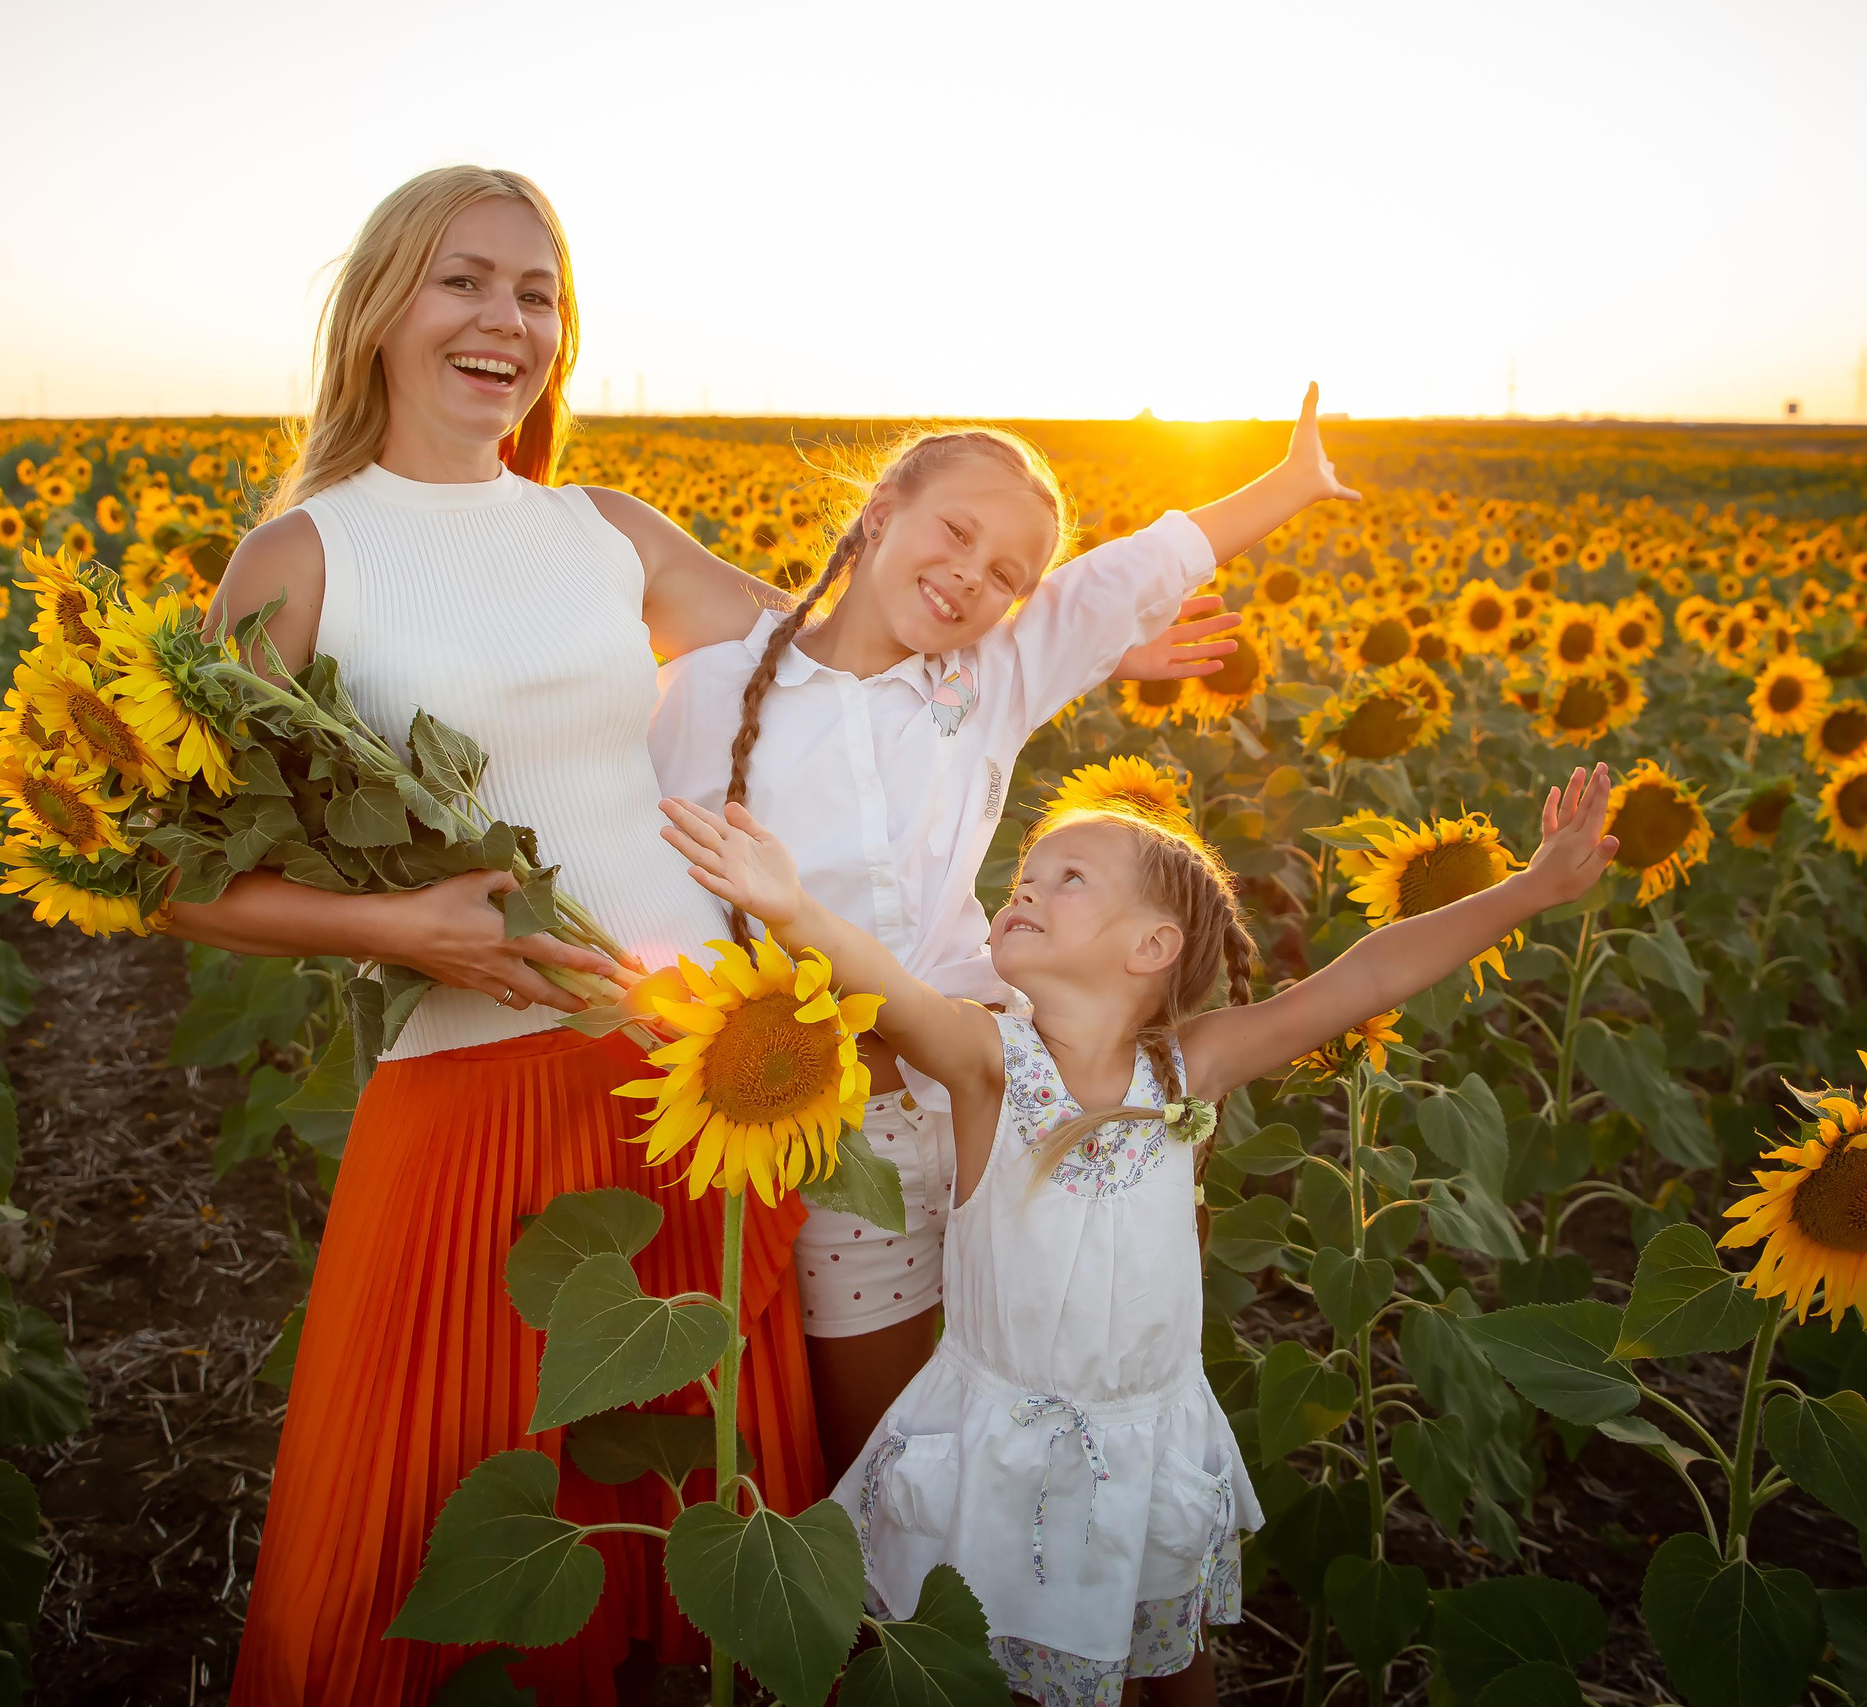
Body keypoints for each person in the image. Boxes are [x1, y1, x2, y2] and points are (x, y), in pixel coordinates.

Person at [179, 164, 1230, 1706]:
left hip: (698, 1083)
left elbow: (859, 662)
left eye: (538, 294)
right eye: (466, 280)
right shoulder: (303, 557)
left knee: (701, 1505)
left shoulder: (609, 531)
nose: (505, 320)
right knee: (448, 1495)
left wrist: (1078, 645)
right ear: (386, 303)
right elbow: (185, 875)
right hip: (480, 1075)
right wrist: (400, 922)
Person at [656, 763, 1617, 1705]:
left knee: (1167, 1648)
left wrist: (1530, 888)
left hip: (1146, 1431)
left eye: (1066, 877)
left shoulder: (1190, 1069)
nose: (1024, 886)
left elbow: (1363, 976)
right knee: (997, 1660)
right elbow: (894, 995)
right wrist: (790, 909)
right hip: (1006, 1451)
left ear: (1152, 945)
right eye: (1023, 874)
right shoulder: (992, 1063)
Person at [648, 394, 1356, 1474]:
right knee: (876, 1445)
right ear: (882, 509)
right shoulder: (710, 685)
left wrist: (1289, 483)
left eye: (1008, 576)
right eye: (955, 533)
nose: (973, 577)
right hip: (843, 1127)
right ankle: (891, 1630)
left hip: (1009, 1101)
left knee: (1052, 1395)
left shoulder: (988, 683)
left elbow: (1117, 581)